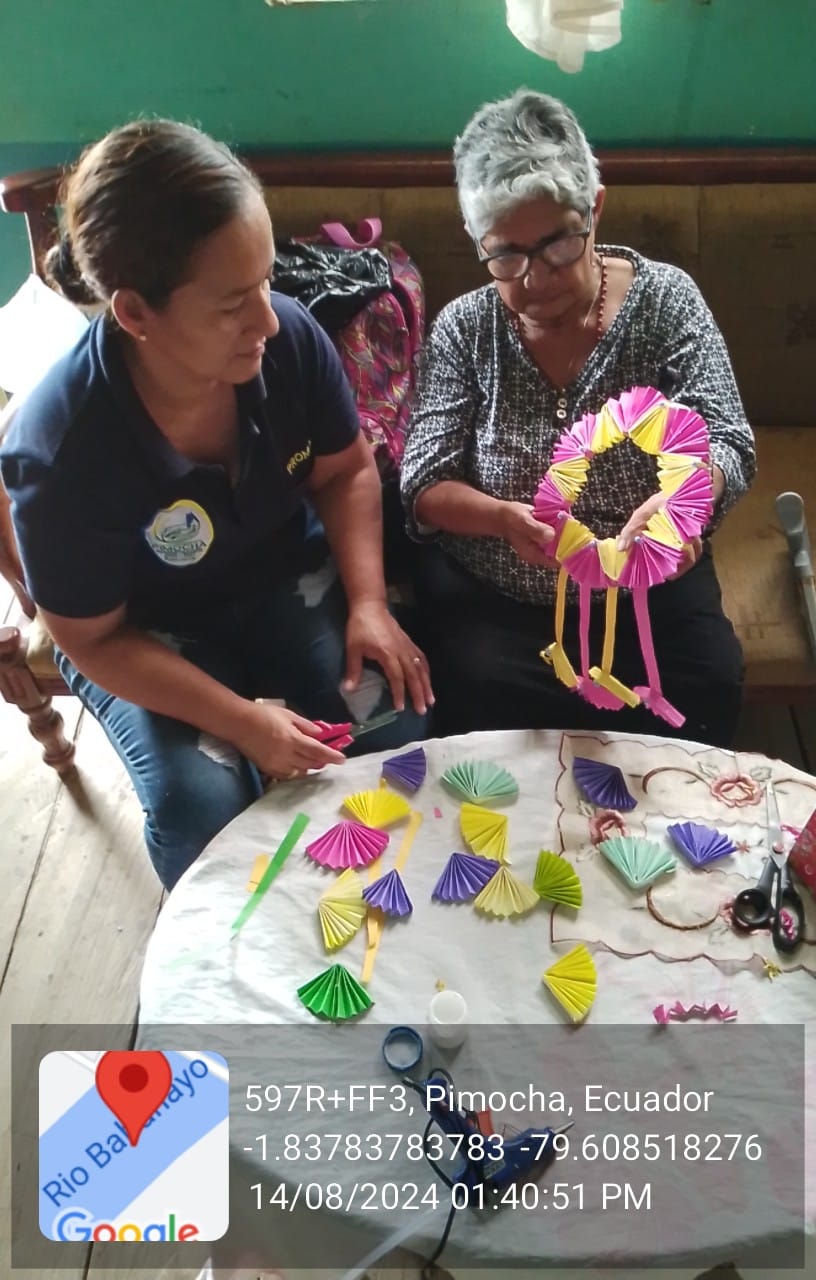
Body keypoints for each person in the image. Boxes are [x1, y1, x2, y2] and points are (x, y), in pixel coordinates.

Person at [0, 119, 432, 890]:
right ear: (135, 313)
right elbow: (91, 638)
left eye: (265, 281)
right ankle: (229, 953)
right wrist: (242, 721)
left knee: (393, 728)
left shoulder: (286, 339)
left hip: (282, 575)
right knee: (201, 810)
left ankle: (374, 913)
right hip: (139, 630)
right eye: (233, 303)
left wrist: (369, 602)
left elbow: (346, 471)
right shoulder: (61, 453)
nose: (267, 318)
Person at [400, 90, 755, 748]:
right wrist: (501, 518)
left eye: (559, 244)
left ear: (595, 209)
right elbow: (422, 480)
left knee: (705, 682)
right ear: (477, 243)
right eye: (506, 255)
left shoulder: (665, 302)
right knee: (478, 709)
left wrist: (683, 508)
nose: (536, 279)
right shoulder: (466, 329)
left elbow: (729, 439)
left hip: (647, 595)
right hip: (498, 607)